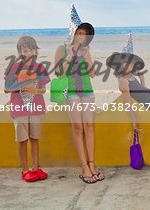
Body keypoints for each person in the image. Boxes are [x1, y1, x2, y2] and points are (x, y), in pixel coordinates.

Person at [54, 11, 104, 183]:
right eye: (80, 32)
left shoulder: (86, 50)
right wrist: (69, 55)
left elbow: (92, 74)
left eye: (86, 34)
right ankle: (83, 166)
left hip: (87, 91)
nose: (82, 36)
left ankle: (92, 164)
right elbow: (59, 74)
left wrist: (87, 55)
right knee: (78, 128)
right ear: (74, 32)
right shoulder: (61, 49)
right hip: (71, 91)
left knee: (90, 126)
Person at [4, 36, 50, 182]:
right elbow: (6, 89)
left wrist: (33, 90)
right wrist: (20, 86)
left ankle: (36, 167)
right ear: (20, 52)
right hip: (19, 110)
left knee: (35, 138)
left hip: (35, 109)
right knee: (22, 140)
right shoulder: (14, 67)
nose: (28, 53)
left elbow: (43, 91)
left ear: (36, 51)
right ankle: (25, 170)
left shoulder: (40, 68)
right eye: (25, 50)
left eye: (31, 50)